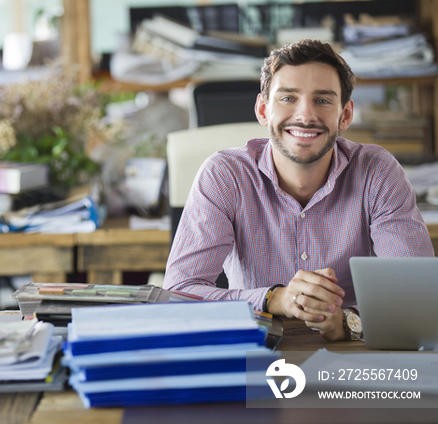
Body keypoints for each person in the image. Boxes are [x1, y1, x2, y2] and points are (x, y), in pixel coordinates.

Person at [163, 39, 434, 341]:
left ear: (345, 115)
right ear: (264, 110)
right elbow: (178, 294)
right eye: (288, 98)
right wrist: (274, 299)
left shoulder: (377, 172)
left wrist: (348, 322)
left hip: (351, 360)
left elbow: (418, 302)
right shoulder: (225, 175)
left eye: (322, 100)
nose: (305, 115)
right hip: (257, 355)